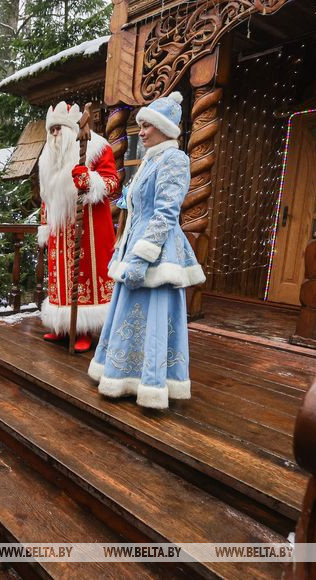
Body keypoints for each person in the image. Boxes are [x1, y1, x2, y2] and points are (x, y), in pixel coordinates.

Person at [88, 92, 205, 410]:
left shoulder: (175, 159)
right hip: (135, 248)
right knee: (130, 314)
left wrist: (142, 256)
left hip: (157, 253)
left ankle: (151, 383)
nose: (141, 131)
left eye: (147, 125)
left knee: (152, 318)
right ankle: (124, 375)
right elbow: (138, 208)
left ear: (164, 128)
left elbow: (166, 213)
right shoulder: (151, 160)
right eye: (140, 125)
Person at [36, 101, 119, 353]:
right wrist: (44, 226)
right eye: (51, 130)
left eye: (59, 129)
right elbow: (45, 197)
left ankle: (82, 329)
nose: (55, 135)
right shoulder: (47, 159)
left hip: (88, 228)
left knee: (84, 276)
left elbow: (113, 182)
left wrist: (89, 180)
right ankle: (63, 327)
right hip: (59, 231)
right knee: (59, 279)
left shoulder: (95, 148)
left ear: (72, 129)